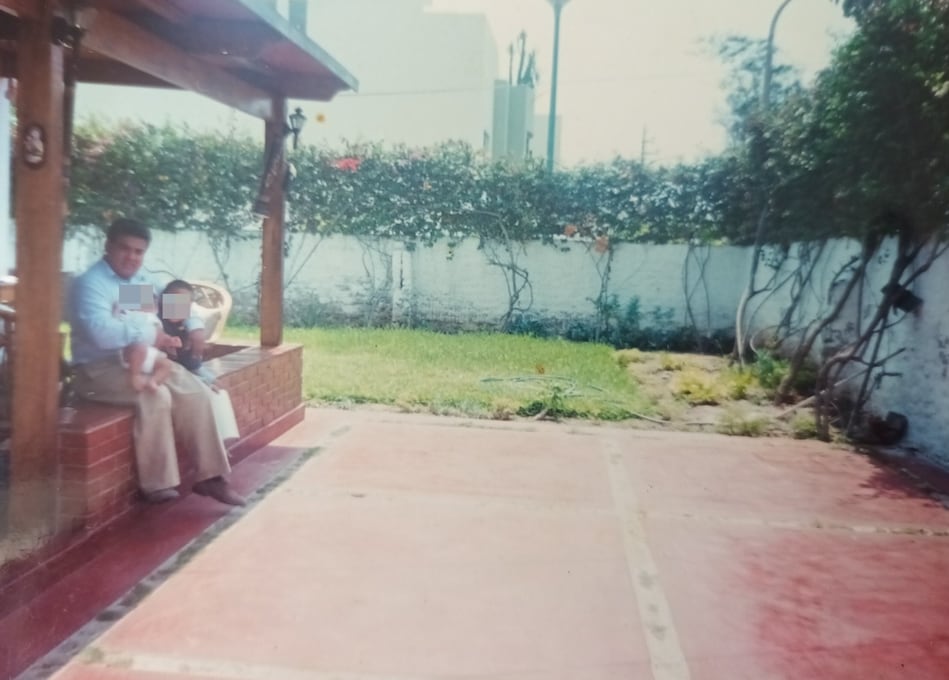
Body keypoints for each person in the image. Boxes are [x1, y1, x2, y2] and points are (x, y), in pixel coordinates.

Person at [69, 218, 245, 506]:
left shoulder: (138, 281)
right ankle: (158, 485)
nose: (132, 257)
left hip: (146, 359)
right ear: (108, 246)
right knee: (156, 395)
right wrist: (152, 332)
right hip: (98, 368)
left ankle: (211, 478)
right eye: (125, 249)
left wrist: (194, 325)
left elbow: (174, 297)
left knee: (195, 391)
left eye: (139, 252)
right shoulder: (92, 284)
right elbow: (101, 334)